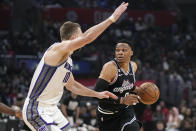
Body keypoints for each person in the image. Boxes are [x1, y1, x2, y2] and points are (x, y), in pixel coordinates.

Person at [22, 2, 129, 131]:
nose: (82, 39)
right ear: (73, 38)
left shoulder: (68, 61)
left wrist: (97, 94)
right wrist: (111, 19)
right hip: (36, 109)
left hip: (52, 109)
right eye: (80, 35)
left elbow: (72, 85)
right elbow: (87, 38)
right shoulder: (57, 49)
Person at [95, 39, 142, 131]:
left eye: (124, 50)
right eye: (117, 50)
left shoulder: (133, 66)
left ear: (131, 53)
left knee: (133, 128)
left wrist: (137, 89)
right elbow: (97, 94)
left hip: (125, 110)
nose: (120, 52)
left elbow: (125, 85)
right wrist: (122, 100)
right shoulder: (110, 68)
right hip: (107, 114)